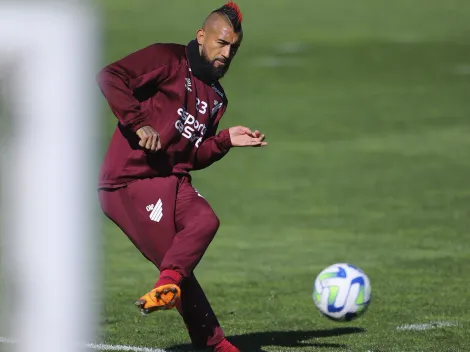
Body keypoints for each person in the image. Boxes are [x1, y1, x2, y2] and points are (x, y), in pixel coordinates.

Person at [96, 2, 267, 351]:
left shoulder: (218, 98)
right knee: (174, 266)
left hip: (171, 181)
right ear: (201, 37)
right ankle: (216, 344)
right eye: (221, 43)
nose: (227, 53)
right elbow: (110, 76)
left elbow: (191, 156)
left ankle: (169, 286)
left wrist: (223, 141)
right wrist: (137, 122)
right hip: (128, 183)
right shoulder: (167, 59)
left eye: (234, 47)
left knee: (204, 223)